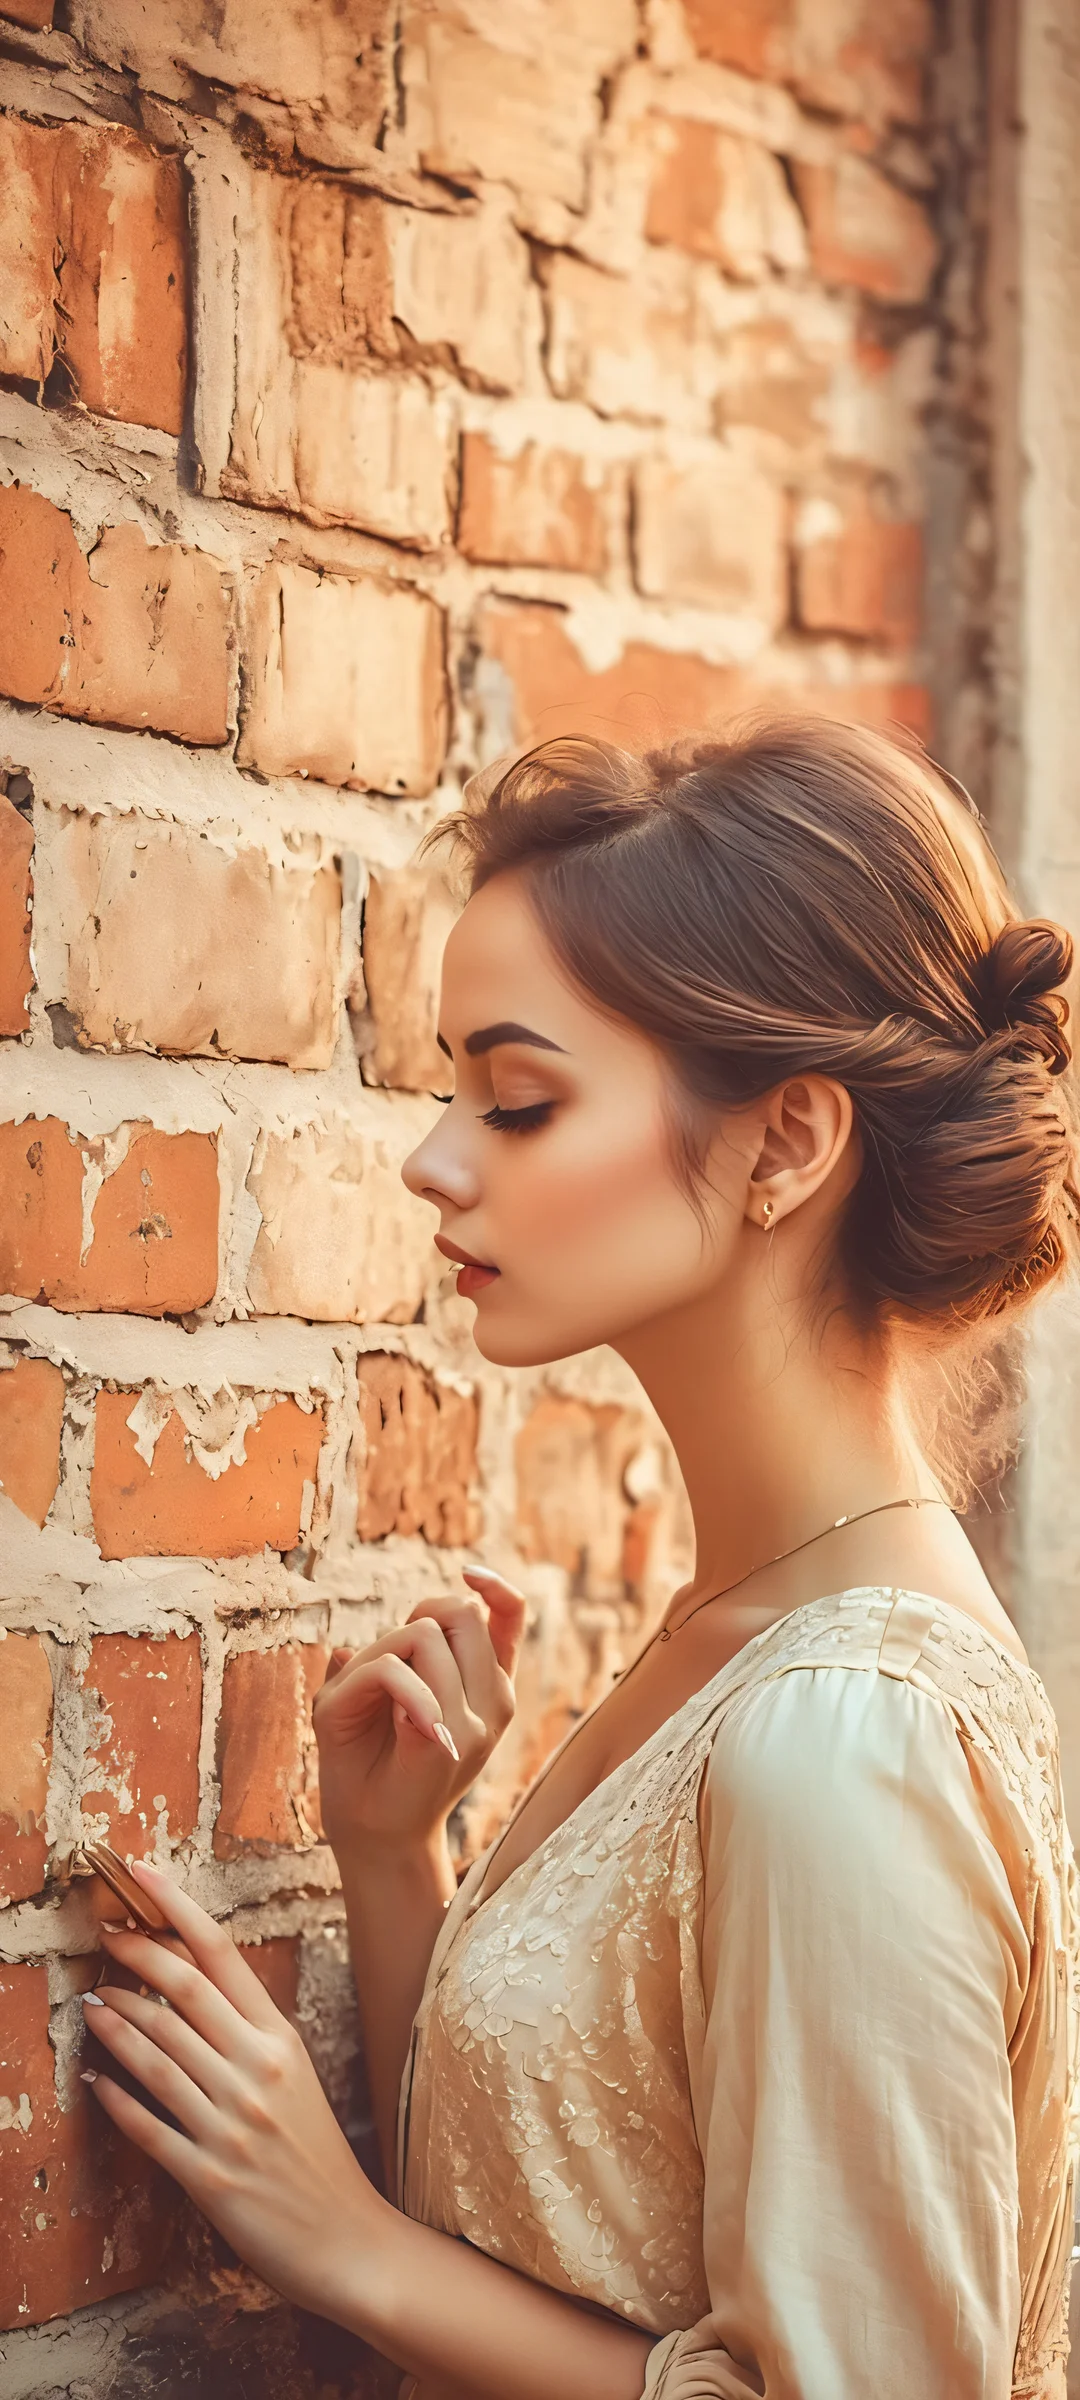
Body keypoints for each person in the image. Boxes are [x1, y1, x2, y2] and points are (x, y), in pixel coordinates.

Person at [82, 721, 1080, 2400]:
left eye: (520, 1099)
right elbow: (541, 2231)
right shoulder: (744, 1630)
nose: (436, 1156)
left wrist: (346, 2246)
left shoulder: (848, 1734)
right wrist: (402, 1866)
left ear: (786, 1143)